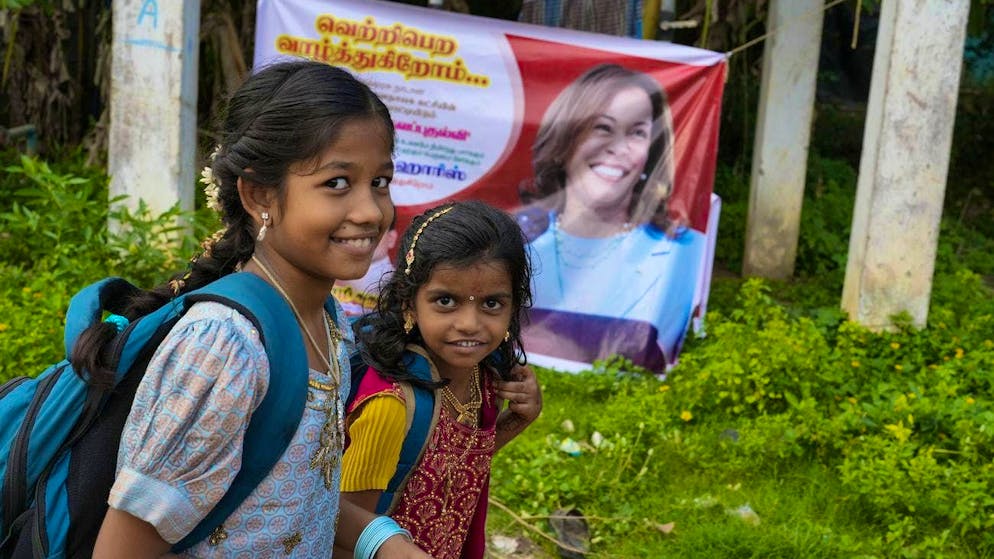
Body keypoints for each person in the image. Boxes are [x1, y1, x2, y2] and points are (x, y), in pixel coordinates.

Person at [85, 60, 430, 558]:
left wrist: (387, 543)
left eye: (380, 181)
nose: (371, 211)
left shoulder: (325, 321)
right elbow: (122, 551)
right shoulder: (226, 347)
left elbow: (299, 497)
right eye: (337, 183)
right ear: (258, 194)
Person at [340, 201, 543, 559]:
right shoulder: (391, 406)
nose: (469, 323)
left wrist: (517, 422)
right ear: (408, 303)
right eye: (446, 301)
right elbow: (342, 527)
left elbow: (445, 468)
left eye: (492, 303)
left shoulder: (484, 376)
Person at [516, 63, 707, 371]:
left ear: (651, 153)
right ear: (565, 141)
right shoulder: (510, 244)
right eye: (602, 128)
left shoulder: (684, 253)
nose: (617, 148)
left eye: (637, 133)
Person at [334, 222, 398, 316]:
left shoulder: (400, 286)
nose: (360, 236)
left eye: (374, 230)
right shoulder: (325, 273)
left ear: (391, 238)